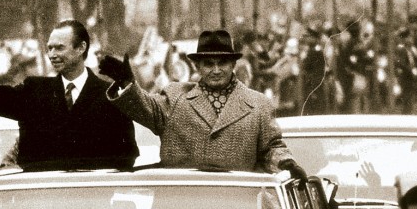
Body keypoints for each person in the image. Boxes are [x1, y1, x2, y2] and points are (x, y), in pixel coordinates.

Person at [0, 13, 138, 169]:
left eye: (59, 48)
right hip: (38, 200)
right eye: (49, 48)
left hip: (92, 201)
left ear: (81, 48)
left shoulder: (110, 96)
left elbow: (126, 156)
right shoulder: (34, 91)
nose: (52, 55)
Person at [99, 30, 304, 175]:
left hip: (236, 207)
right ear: (197, 66)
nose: (216, 70)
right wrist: (128, 83)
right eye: (208, 63)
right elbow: (146, 107)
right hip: (180, 206)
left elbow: (272, 147)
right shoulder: (175, 97)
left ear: (233, 64)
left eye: (222, 63)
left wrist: (287, 163)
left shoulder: (259, 104)